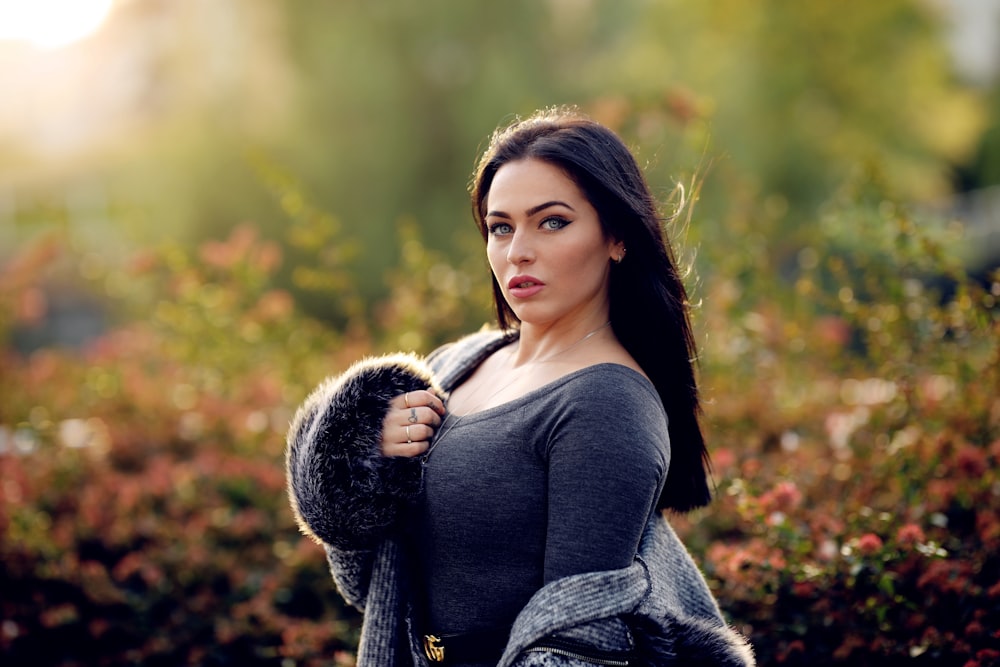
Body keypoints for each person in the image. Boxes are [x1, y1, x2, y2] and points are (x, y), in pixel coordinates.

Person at [286, 107, 754, 667]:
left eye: (552, 221)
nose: (517, 251)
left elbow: (577, 644)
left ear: (618, 238)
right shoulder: (456, 363)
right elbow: (374, 587)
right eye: (501, 226)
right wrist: (364, 456)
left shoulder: (607, 403)